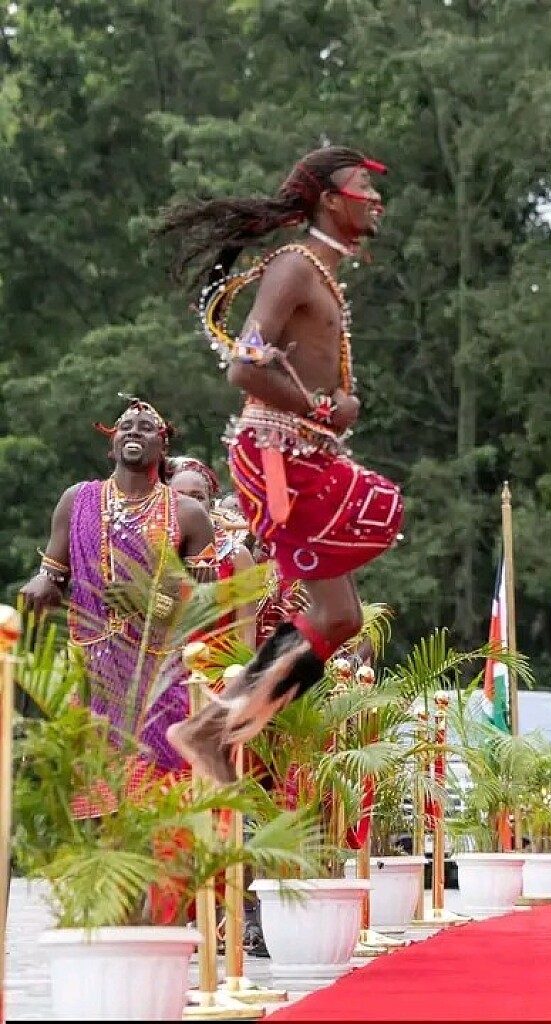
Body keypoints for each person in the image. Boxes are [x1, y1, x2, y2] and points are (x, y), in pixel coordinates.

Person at [157, 145, 405, 784]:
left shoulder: (320, 272)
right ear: (331, 201)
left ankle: (215, 729)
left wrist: (334, 410)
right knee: (374, 519)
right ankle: (211, 731)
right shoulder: (295, 266)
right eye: (363, 187)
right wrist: (323, 408)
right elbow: (244, 366)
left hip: (301, 454)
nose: (376, 199)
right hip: (276, 458)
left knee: (343, 618)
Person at [19, 397, 217, 775]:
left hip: (159, 676)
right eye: (125, 427)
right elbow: (53, 573)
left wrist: (149, 603)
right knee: (89, 782)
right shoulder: (77, 499)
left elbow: (206, 606)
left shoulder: (189, 514)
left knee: (156, 787)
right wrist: (42, 582)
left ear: (163, 445)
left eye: (146, 428)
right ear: (112, 445)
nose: (133, 432)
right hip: (92, 668)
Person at [167, 456, 259, 651]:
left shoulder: (237, 556)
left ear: (211, 504)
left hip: (215, 667)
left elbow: (246, 634)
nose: (189, 504)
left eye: (198, 497)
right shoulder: (147, 550)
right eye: (179, 496)